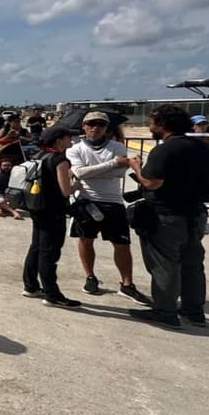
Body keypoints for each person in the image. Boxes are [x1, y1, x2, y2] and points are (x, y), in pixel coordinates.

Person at [126, 105, 209, 328]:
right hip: (196, 213)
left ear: (162, 124)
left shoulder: (165, 150)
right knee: (193, 263)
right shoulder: (204, 148)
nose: (150, 126)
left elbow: (152, 182)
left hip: (166, 215)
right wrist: (208, 191)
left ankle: (165, 311)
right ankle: (194, 311)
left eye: (152, 122)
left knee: (164, 264)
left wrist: (136, 167)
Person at [65, 111, 151, 305]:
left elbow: (120, 173)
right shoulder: (75, 149)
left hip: (113, 201)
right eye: (91, 123)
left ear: (106, 128)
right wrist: (111, 164)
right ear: (84, 127)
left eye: (100, 124)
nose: (96, 127)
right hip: (87, 201)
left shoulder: (118, 146)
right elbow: (80, 172)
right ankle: (90, 276)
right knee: (86, 241)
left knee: (122, 244)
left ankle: (127, 283)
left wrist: (94, 171)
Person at [21, 125, 82, 308]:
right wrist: (76, 185)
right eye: (67, 138)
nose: (70, 141)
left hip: (36, 207)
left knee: (36, 247)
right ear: (58, 140)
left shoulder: (38, 156)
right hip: (53, 210)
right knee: (49, 252)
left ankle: (30, 285)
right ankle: (51, 293)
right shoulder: (59, 159)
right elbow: (65, 191)